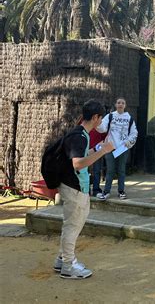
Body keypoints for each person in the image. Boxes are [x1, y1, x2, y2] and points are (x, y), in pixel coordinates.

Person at [54, 99, 115, 279]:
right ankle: (68, 265)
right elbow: (78, 164)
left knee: (72, 225)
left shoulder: (81, 134)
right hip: (74, 187)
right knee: (72, 226)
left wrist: (97, 148)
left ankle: (62, 258)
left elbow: (80, 155)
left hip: (75, 186)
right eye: (101, 119)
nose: (101, 123)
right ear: (95, 117)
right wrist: (102, 152)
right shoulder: (79, 136)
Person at [96, 97, 138, 200]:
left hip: (123, 148)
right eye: (118, 103)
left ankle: (121, 191)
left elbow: (134, 133)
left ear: (125, 105)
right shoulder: (110, 116)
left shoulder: (129, 118)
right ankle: (106, 191)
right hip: (110, 147)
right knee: (110, 170)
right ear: (115, 105)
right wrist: (96, 123)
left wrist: (128, 142)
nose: (120, 104)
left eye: (122, 103)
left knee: (121, 170)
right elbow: (102, 128)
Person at [89, 128, 107, 197]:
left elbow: (104, 137)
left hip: (97, 151)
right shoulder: (84, 122)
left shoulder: (100, 125)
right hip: (87, 150)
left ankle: (96, 190)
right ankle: (86, 191)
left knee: (97, 170)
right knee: (86, 171)